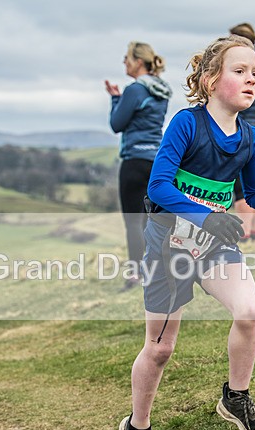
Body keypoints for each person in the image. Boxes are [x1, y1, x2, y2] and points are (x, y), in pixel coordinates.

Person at [118, 34, 255, 430]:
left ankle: (236, 398)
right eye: (240, 71)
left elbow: (252, 189)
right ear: (211, 79)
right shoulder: (186, 124)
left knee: (251, 309)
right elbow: (157, 187)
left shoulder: (249, 137)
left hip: (214, 245)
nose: (251, 78)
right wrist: (204, 215)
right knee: (160, 350)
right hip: (167, 248)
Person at [105, 42, 172, 289]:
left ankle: (135, 274)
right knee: (149, 220)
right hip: (156, 161)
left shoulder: (134, 90)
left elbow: (117, 124)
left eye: (126, 58)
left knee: (133, 221)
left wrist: (115, 99)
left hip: (133, 161)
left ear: (138, 62)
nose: (124, 62)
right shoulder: (162, 90)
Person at [228, 23, 255, 241]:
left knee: (239, 182)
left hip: (240, 126)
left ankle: (243, 232)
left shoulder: (241, 68)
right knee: (253, 178)